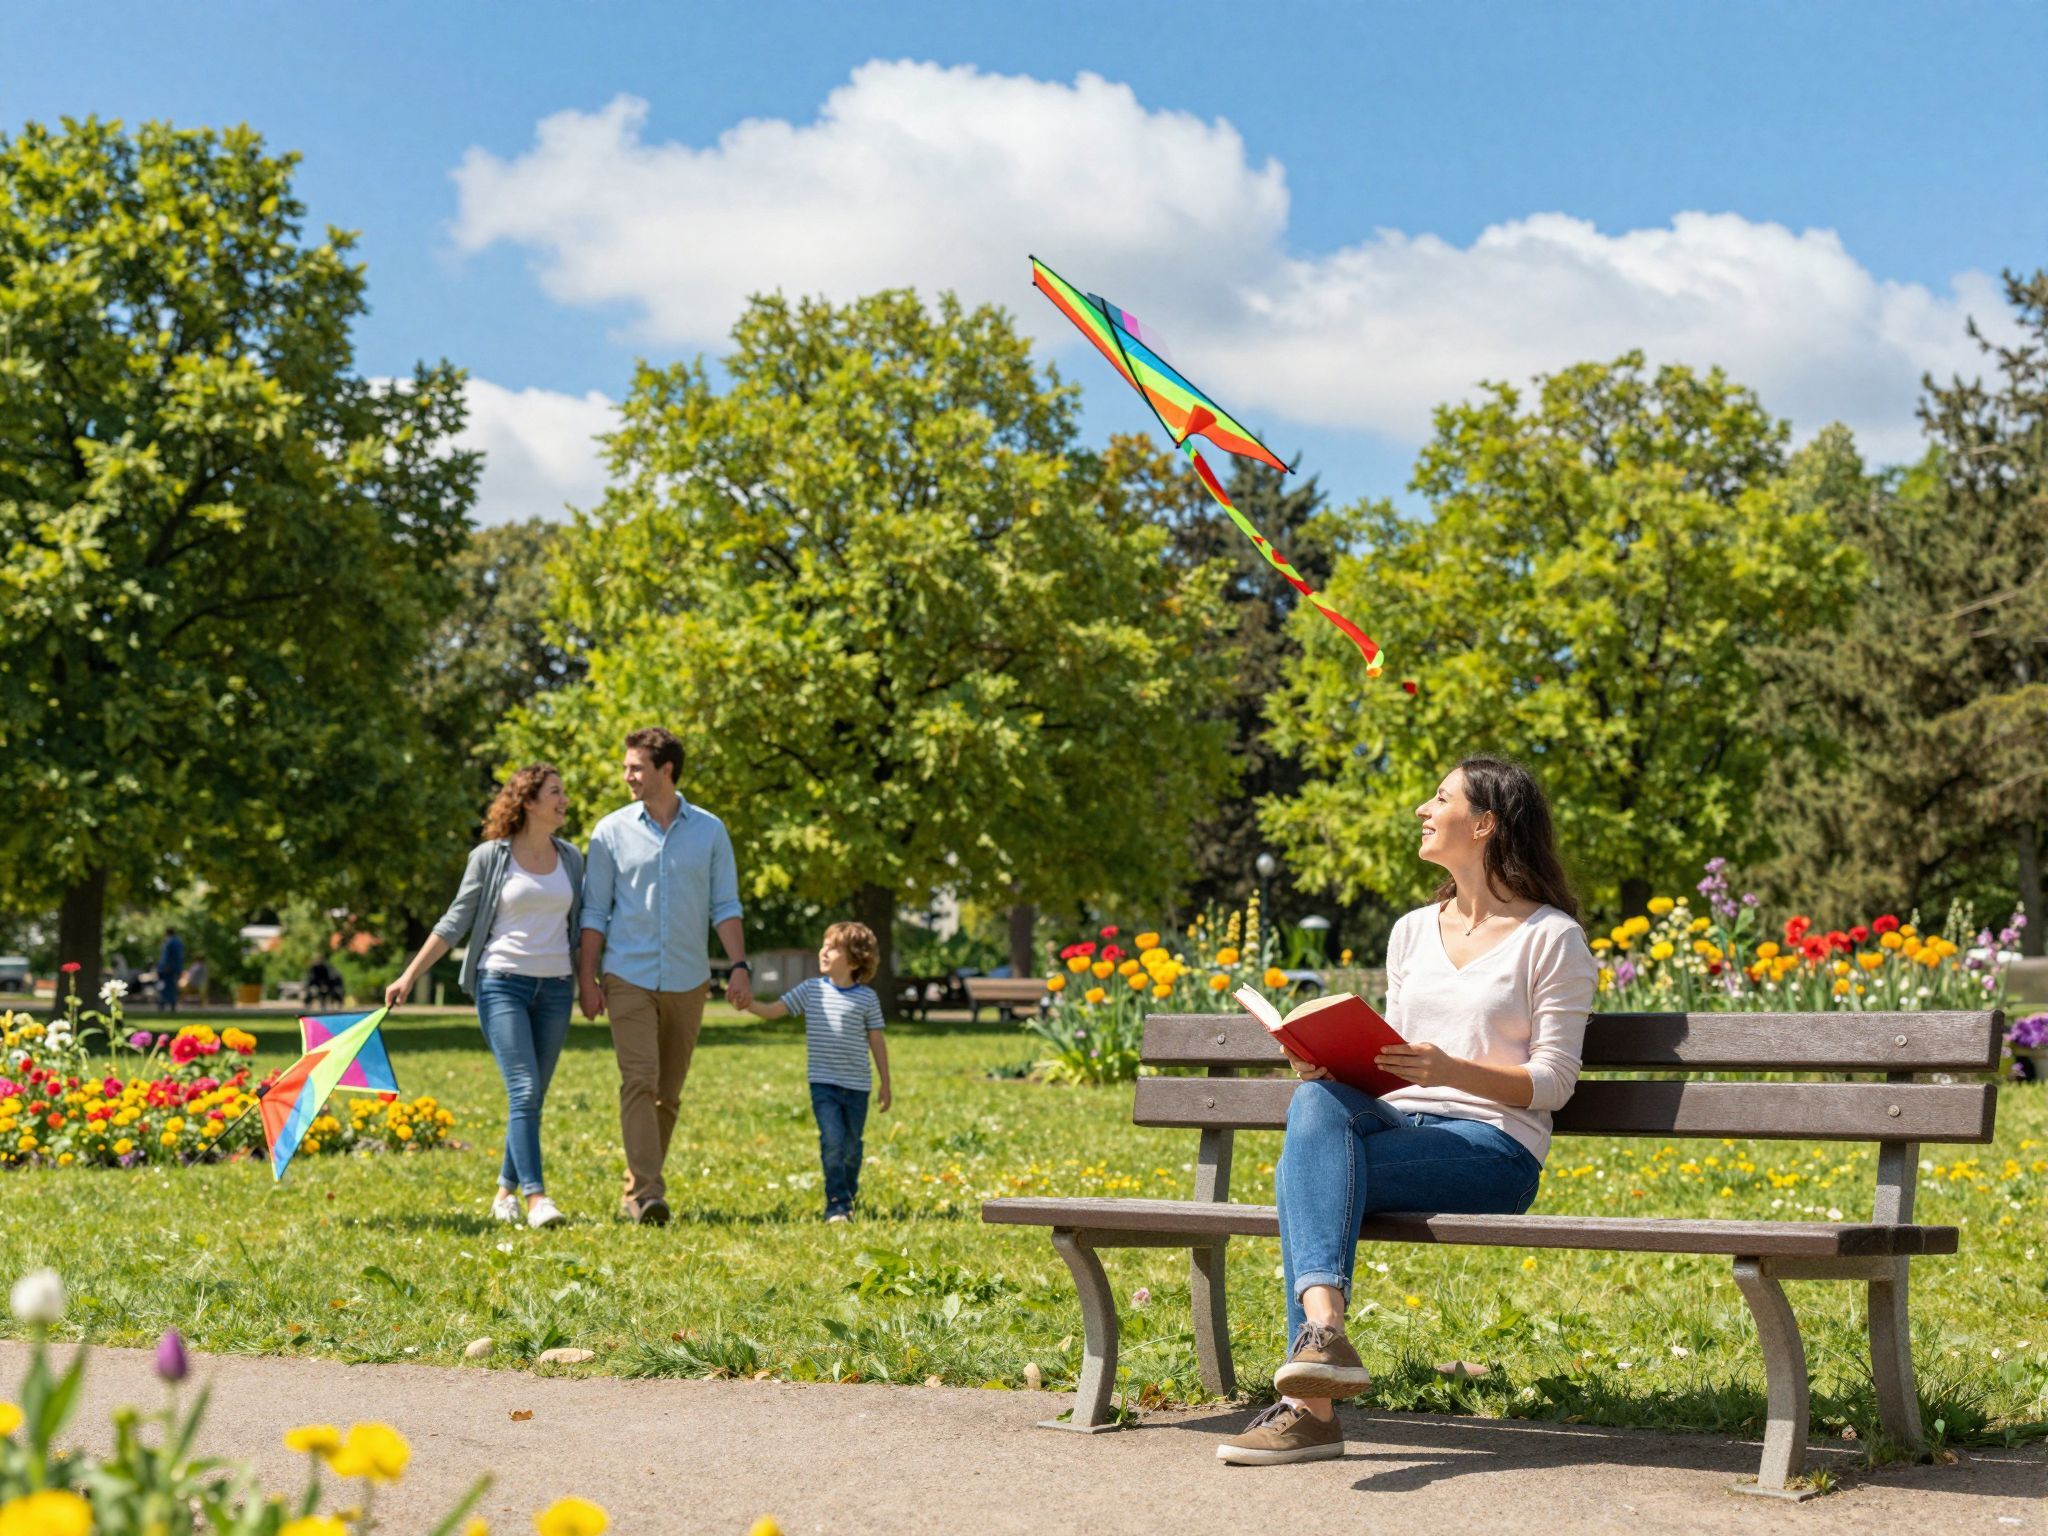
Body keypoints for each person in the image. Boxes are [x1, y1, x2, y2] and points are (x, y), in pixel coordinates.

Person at [1217, 756, 1598, 1466]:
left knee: (1309, 1175)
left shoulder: (1553, 938)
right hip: (1397, 1127)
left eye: (1441, 798)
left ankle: (1311, 1408)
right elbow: (1388, 1064)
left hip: (1491, 1150)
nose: (1424, 809)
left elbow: (1554, 1082)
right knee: (1316, 1103)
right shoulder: (1411, 931)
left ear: (1485, 824)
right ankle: (1324, 1337)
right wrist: (1331, 1061)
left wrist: (1454, 1070)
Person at [385, 764, 584, 1230]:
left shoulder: (572, 858)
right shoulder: (491, 857)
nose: (565, 800)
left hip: (556, 987)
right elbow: (455, 921)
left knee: (531, 1099)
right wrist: (410, 974)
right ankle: (537, 1199)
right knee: (524, 1089)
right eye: (555, 792)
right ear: (529, 801)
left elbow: (583, 926)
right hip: (502, 984)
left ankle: (503, 1193)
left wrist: (591, 982)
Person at [579, 727, 751, 1226]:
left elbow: (726, 905)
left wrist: (738, 966)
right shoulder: (609, 831)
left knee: (668, 1093)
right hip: (627, 974)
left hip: (687, 978)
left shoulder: (710, 831)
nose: (627, 775)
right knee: (639, 1080)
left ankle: (637, 1189)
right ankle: (650, 1193)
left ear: (666, 771)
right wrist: (587, 979)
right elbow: (595, 911)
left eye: (636, 767)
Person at [736, 921, 892, 1222]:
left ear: (855, 959)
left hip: (858, 1085)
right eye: (824, 944)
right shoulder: (810, 991)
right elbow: (772, 1011)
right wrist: (747, 1004)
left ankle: (847, 1194)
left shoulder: (867, 999)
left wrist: (886, 1083)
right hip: (824, 1084)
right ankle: (837, 1205)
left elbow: (877, 1041)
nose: (823, 951)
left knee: (851, 1147)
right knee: (832, 1140)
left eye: (833, 948)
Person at [155, 929, 185, 1013]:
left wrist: (165, 967)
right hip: (175, 968)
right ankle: (172, 1005)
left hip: (167, 969)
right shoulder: (179, 942)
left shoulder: (170, 942)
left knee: (165, 987)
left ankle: (163, 1004)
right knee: (172, 987)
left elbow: (166, 957)